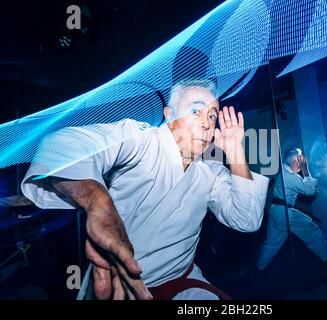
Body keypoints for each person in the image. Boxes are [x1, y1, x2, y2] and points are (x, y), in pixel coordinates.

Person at [21, 79, 269, 300]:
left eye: (212, 116)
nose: (206, 123)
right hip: (115, 284)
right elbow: (60, 148)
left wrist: (235, 149)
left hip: (181, 283)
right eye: (196, 111)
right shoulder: (143, 140)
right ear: (169, 115)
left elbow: (246, 218)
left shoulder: (210, 172)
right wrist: (99, 203)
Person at [256, 148, 327, 275]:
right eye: (301, 160)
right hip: (284, 214)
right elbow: (309, 190)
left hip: (276, 212)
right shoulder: (289, 177)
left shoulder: (283, 173)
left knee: (272, 244)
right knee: (313, 231)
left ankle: (257, 270)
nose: (303, 162)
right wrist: (305, 170)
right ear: (296, 161)